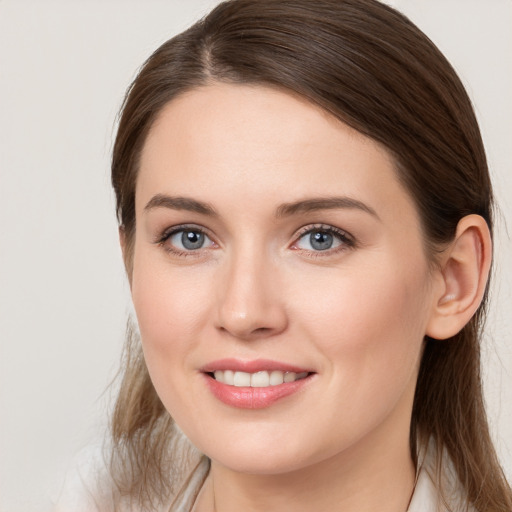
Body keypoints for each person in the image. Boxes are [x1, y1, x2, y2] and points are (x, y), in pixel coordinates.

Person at [56, 0, 511, 511]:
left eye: (321, 238)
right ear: (132, 260)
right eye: (189, 237)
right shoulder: (93, 496)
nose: (244, 312)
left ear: (454, 280)